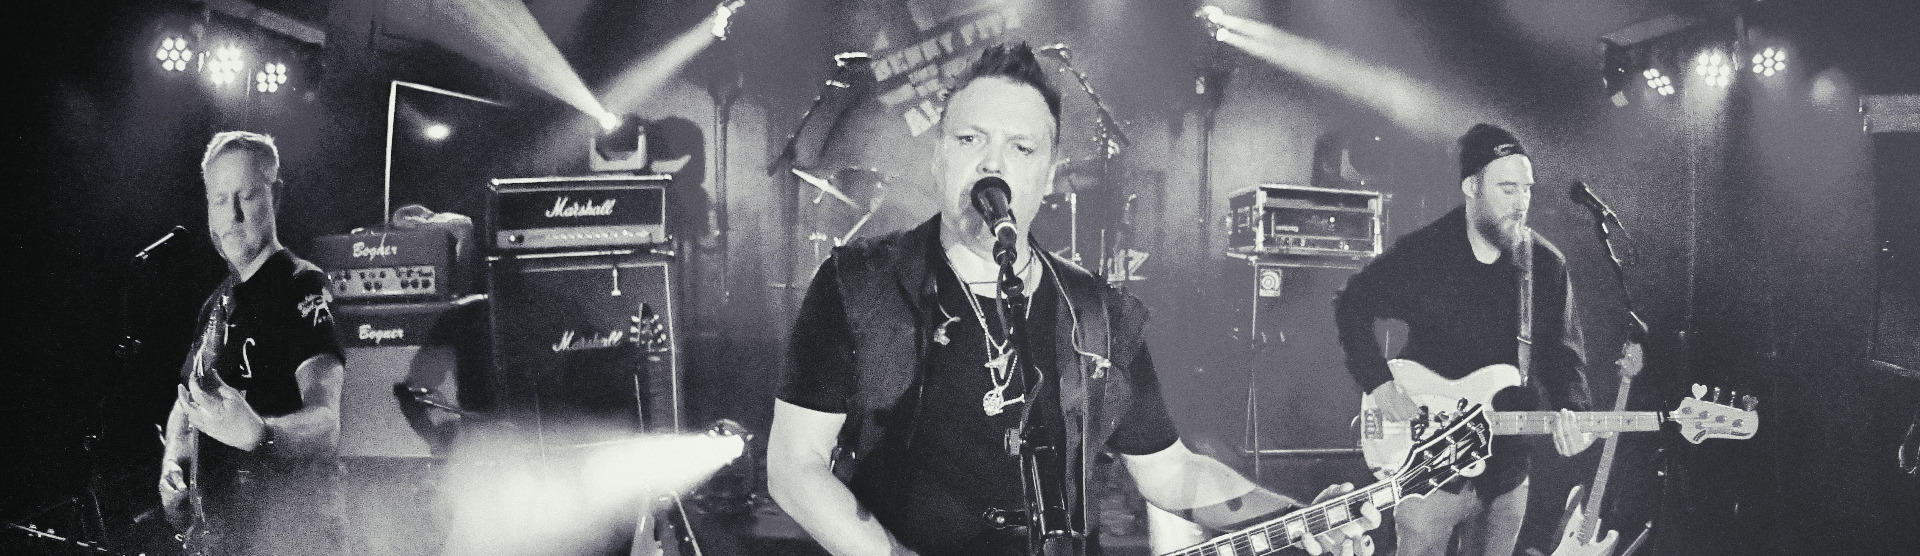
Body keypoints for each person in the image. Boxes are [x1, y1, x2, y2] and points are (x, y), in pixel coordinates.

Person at [767, 44, 1378, 556]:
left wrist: (1298, 515)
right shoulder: (860, 284)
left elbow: (1170, 471)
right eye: (970, 138)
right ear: (938, 155)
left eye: (1021, 148)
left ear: (1050, 172)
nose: (992, 162)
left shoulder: (1097, 314)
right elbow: (795, 465)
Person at [1333, 124, 1597, 556]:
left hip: (1507, 470)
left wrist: (1576, 412)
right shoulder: (1425, 253)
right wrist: (1379, 383)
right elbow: (1351, 305)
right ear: (1472, 187)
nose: (1521, 203)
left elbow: (1564, 357)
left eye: (1526, 189)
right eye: (1507, 189)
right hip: (1426, 466)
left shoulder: (1546, 266)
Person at [158, 131, 346, 556]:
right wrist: (173, 463)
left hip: (292, 537)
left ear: (275, 197)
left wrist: (261, 434)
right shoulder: (215, 304)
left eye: (247, 196)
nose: (233, 214)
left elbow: (326, 420)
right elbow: (185, 404)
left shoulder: (301, 285)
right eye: (219, 200)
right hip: (222, 539)